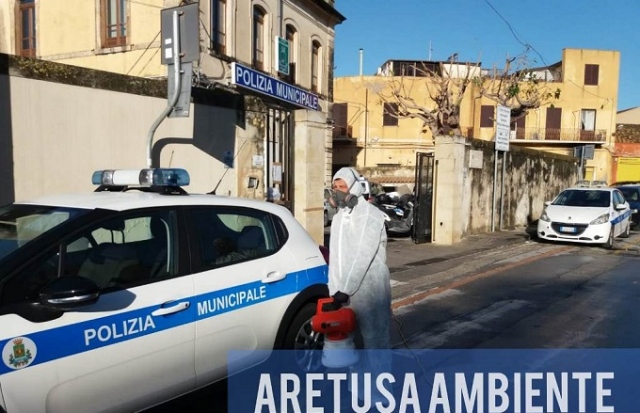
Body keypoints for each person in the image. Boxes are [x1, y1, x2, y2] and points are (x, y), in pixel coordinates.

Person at [328, 167, 391, 350]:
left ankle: (379, 379)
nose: (338, 190)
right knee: (349, 344)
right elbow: (336, 256)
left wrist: (345, 289)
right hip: (343, 294)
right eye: (335, 186)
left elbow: (362, 255)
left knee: (375, 342)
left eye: (343, 186)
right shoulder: (339, 217)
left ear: (354, 188)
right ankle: (357, 379)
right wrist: (334, 289)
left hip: (369, 292)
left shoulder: (369, 214)